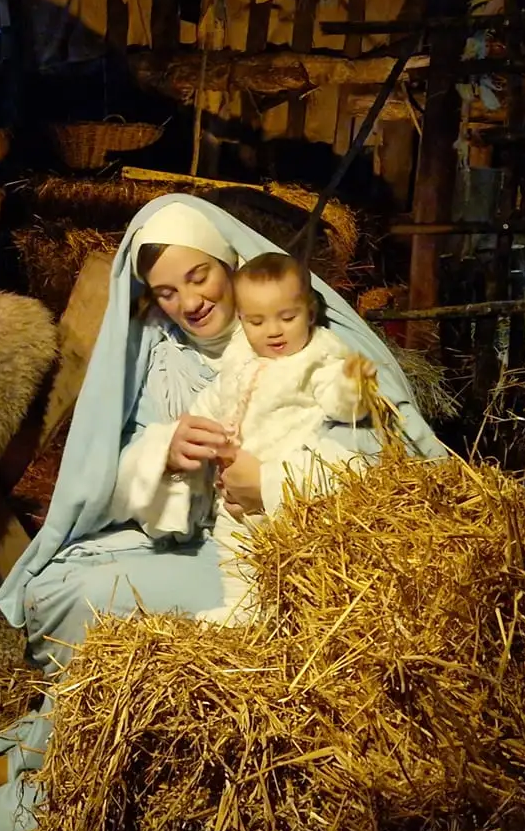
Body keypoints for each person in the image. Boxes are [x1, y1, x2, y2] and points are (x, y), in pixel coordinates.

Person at [0, 195, 447, 831]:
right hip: (196, 538)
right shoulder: (162, 357)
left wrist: (273, 483)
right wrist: (166, 451)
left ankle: (58, 770)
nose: (187, 302)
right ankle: (75, 746)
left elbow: (376, 464)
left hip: (291, 552)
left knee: (154, 619)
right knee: (61, 590)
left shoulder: (306, 343)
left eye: (198, 277)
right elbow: (116, 471)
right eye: (166, 291)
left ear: (228, 262)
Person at [134, 250, 379, 624]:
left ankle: (277, 615)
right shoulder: (242, 356)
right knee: (234, 552)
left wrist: (353, 386)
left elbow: (338, 401)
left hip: (286, 489)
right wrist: (193, 425)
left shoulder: (318, 355)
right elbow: (215, 399)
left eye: (287, 317)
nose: (274, 331)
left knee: (283, 562)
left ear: (310, 313)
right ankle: (243, 611)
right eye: (256, 321)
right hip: (232, 497)